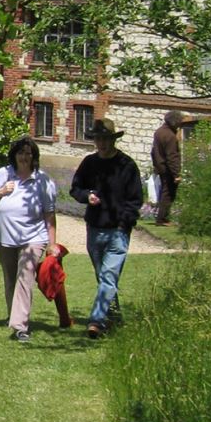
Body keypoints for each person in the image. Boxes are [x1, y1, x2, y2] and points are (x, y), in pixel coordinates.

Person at [71, 119, 144, 338]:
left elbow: (135, 199)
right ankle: (114, 317)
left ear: (113, 139)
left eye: (105, 139)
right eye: (98, 139)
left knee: (109, 276)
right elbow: (76, 188)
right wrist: (87, 196)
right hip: (95, 228)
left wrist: (124, 224)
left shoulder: (126, 165)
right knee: (103, 276)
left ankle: (97, 321)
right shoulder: (89, 163)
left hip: (118, 231)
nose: (101, 143)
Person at [0, 135, 60, 342]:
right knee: (10, 279)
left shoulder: (42, 180)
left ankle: (20, 327)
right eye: (21, 152)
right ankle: (14, 315)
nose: (24, 157)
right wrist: (1, 192)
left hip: (33, 238)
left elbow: (49, 213)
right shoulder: (3, 174)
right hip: (6, 238)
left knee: (25, 277)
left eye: (28, 153)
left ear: (34, 156)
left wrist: (51, 243)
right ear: (14, 155)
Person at [150, 110, 184, 226]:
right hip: (167, 168)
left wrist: (155, 165)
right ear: (175, 122)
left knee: (164, 192)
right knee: (168, 193)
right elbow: (172, 157)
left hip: (160, 166)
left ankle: (162, 218)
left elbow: (153, 151)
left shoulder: (159, 132)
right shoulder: (170, 136)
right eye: (180, 122)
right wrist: (176, 174)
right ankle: (162, 219)